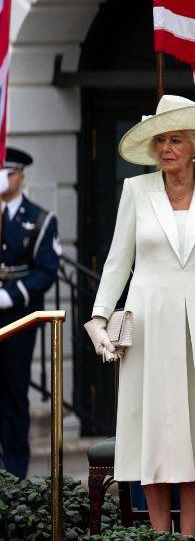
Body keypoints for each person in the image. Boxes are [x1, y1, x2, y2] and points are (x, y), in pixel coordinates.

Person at [81, 96, 195, 534]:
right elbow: (118, 261)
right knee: (157, 427)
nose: (167, 148)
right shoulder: (136, 191)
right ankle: (159, 534)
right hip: (150, 320)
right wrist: (99, 318)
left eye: (176, 140)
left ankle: (189, 534)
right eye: (161, 141)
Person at [0, 148, 61, 478]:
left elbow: (47, 269)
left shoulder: (39, 218)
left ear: (22, 176)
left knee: (14, 391)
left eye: (10, 172)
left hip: (18, 318)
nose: (5, 179)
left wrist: (11, 297)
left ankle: (14, 471)